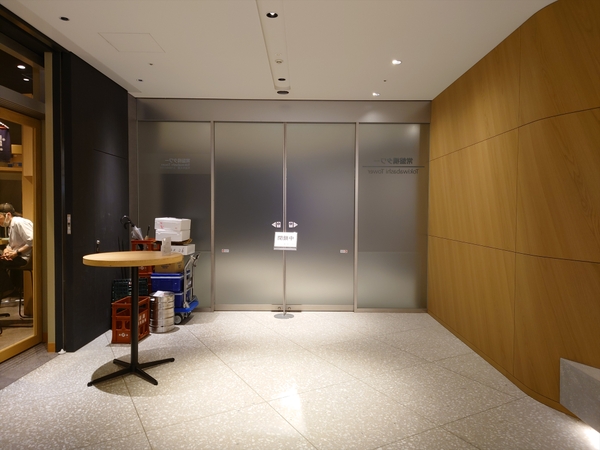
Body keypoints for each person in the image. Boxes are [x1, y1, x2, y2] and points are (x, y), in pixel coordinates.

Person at [0, 203, 33, 299]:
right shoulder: (11, 224)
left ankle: (8, 290)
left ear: (8, 214)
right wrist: (6, 250)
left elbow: (32, 240)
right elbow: (11, 244)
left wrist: (16, 253)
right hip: (18, 255)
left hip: (24, 257)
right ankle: (8, 289)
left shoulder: (19, 222)